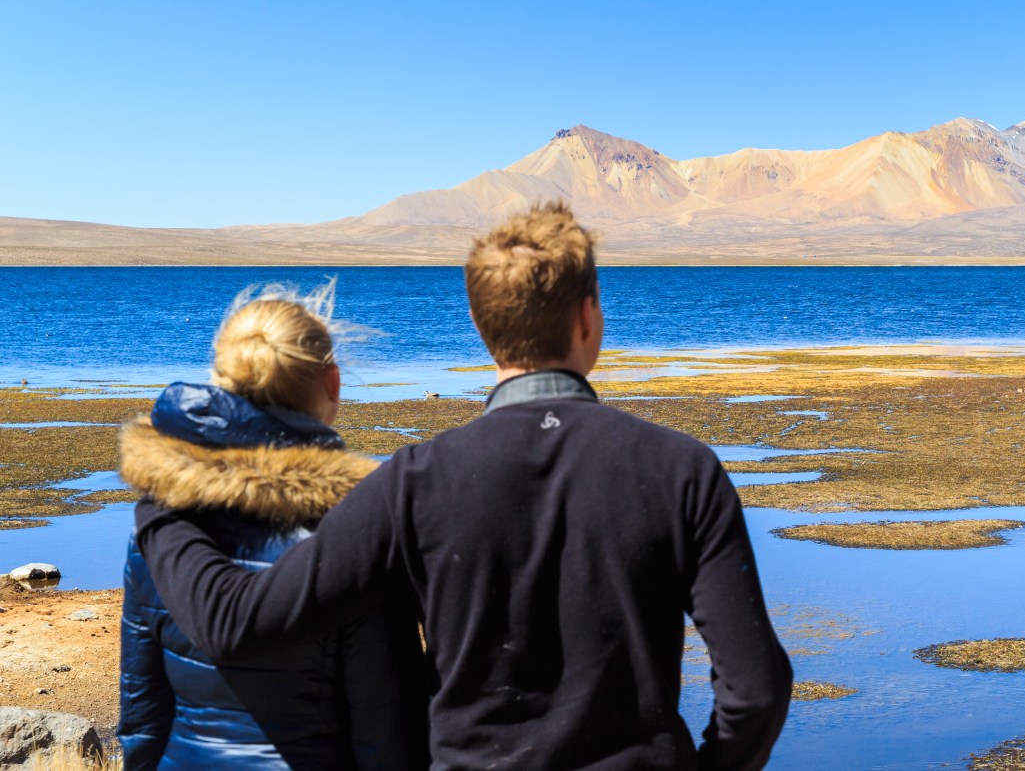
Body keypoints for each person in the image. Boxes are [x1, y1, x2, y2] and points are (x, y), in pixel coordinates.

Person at [134, 202, 793, 770]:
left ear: (482, 329)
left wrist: (163, 504)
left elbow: (240, 623)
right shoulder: (682, 469)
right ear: (589, 316)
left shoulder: (415, 482)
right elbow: (756, 690)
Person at [118, 286, 429, 770]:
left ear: (222, 379)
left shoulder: (162, 523)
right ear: (333, 384)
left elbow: (141, 714)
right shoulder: (360, 530)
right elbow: (385, 731)